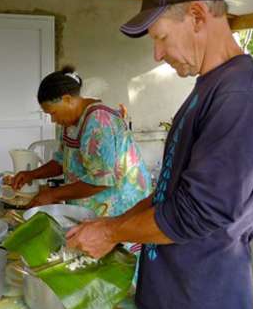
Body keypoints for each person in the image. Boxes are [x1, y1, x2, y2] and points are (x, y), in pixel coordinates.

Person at [66, 0, 253, 309]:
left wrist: (112, 233)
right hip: (177, 301)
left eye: (161, 38)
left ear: (198, 16)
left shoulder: (242, 96)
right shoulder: (212, 86)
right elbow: (172, 192)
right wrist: (109, 225)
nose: (156, 54)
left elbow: (197, 213)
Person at [10, 65, 151, 217]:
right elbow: (61, 162)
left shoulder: (98, 122)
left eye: (53, 113)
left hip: (121, 207)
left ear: (67, 100)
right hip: (90, 206)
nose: (53, 120)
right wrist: (32, 174)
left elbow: (101, 182)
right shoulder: (70, 123)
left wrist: (53, 194)